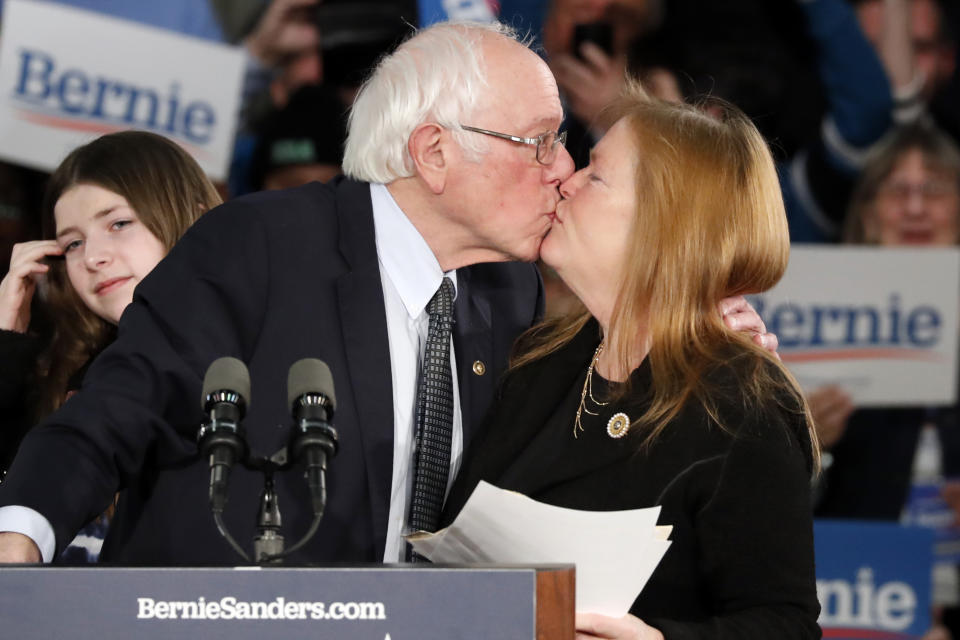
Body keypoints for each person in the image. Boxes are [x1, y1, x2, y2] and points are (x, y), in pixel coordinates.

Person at [0, 21, 772, 567]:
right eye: (539, 140)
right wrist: (22, 534)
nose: (562, 168)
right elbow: (117, 409)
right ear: (434, 153)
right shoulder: (260, 243)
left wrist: (693, 340)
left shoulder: (507, 291)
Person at [443, 84, 821, 638]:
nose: (565, 182)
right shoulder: (538, 361)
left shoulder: (739, 402)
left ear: (665, 223)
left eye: (595, 175)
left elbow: (784, 623)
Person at [0, 130, 221, 561]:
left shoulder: (266, 351)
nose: (93, 257)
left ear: (196, 221)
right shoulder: (59, 379)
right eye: (73, 243)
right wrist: (6, 347)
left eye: (118, 223)